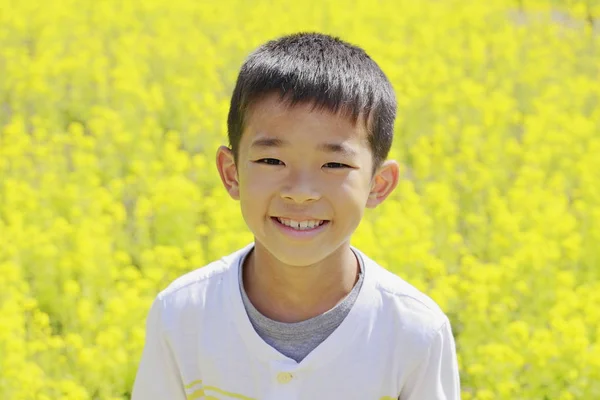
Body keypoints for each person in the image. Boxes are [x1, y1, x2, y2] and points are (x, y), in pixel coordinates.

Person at [131, 32, 461, 400]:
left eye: (334, 164)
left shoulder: (416, 333)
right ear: (231, 172)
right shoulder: (181, 316)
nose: (300, 191)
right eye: (272, 160)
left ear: (378, 184)